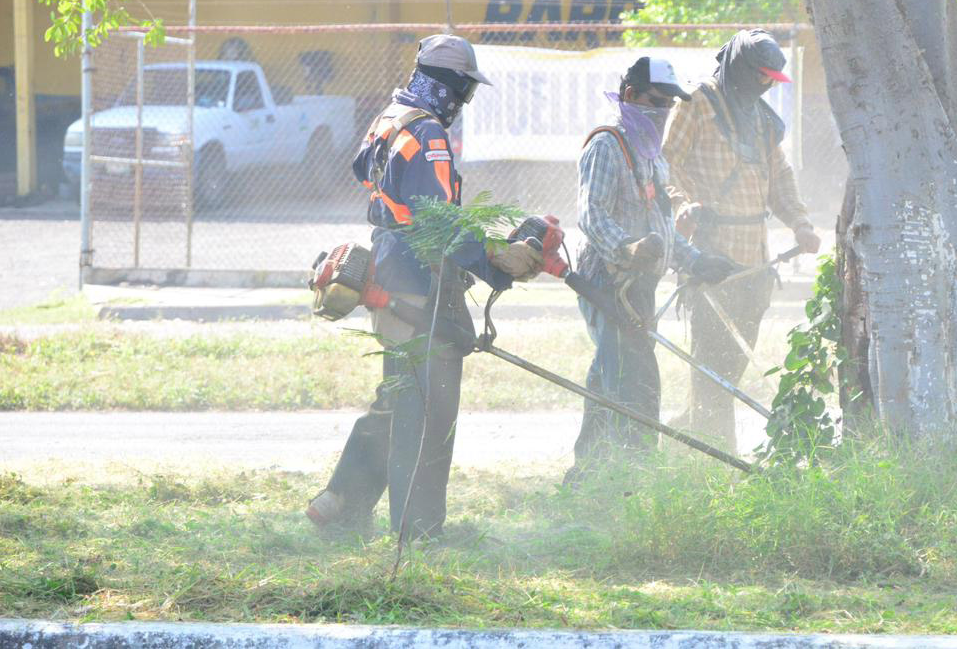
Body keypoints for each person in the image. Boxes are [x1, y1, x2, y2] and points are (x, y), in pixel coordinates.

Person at [307, 34, 542, 540]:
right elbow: (439, 223)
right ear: (446, 84)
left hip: (390, 268)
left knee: (398, 399)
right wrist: (496, 263)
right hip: (419, 281)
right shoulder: (429, 134)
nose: (464, 101)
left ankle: (340, 504)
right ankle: (419, 532)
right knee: (427, 412)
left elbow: (372, 179)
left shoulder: (392, 119)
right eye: (463, 89)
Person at [565, 57, 736, 483]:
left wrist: (695, 260)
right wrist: (627, 246)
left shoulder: (652, 155)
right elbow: (591, 214)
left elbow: (661, 225)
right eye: (656, 102)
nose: (663, 113)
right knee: (633, 382)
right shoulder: (607, 146)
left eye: (669, 106)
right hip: (608, 280)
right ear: (630, 96)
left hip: (639, 284)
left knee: (609, 378)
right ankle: (633, 478)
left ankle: (587, 476)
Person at [663, 29, 821, 453]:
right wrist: (682, 206)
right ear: (740, 69)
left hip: (757, 264)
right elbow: (666, 163)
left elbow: (779, 176)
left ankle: (682, 443)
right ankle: (719, 458)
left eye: (772, 79)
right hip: (712, 259)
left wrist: (800, 223)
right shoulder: (695, 102)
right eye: (760, 75)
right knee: (710, 367)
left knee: (729, 369)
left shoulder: (760, 117)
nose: (765, 84)